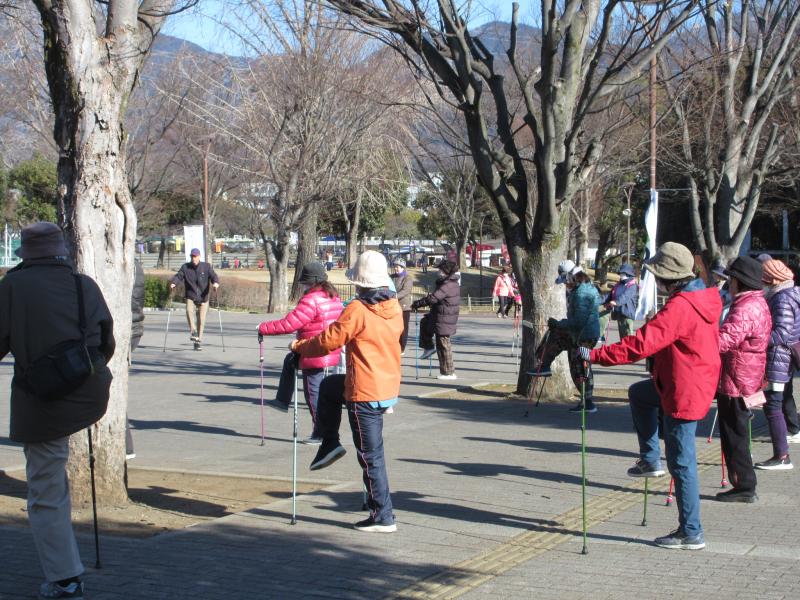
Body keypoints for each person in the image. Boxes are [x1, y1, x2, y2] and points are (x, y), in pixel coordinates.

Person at [0, 222, 116, 599]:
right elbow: (106, 342)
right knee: (53, 478)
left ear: (26, 254)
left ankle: (65, 578)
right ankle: (66, 570)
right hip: (87, 392)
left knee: (46, 489)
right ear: (61, 251)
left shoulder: (13, 287)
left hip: (42, 400)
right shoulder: (84, 285)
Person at [590, 242, 721, 550]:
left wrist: (595, 355)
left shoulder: (681, 306)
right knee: (639, 394)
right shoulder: (702, 296)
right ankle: (650, 460)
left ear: (667, 277)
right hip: (685, 380)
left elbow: (641, 344)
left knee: (682, 463)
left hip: (684, 390)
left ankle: (691, 531)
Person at [291, 250, 403, 532]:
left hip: (364, 390)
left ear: (361, 283)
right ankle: (329, 441)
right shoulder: (394, 307)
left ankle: (383, 516)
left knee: (370, 455)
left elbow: (329, 341)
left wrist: (300, 347)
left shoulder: (358, 309)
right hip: (385, 383)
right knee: (329, 386)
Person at [257, 263, 343, 444]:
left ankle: (320, 434)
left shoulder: (311, 300)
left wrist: (263, 328)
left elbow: (290, 324)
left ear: (310, 282)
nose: (302, 285)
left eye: (304, 282)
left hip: (314, 351)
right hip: (329, 348)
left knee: (314, 394)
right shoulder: (333, 296)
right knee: (291, 360)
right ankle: (282, 400)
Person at [715, 257, 771, 502]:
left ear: (740, 281)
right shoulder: (756, 302)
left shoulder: (745, 307)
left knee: (734, 436)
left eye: (731, 279)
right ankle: (743, 484)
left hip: (737, 379)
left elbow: (724, 341)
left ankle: (744, 487)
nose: (729, 284)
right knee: (737, 433)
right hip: (747, 375)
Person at [536, 264, 601, 413]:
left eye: (566, 281)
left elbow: (578, 321)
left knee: (579, 367)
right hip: (583, 333)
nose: (565, 284)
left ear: (571, 277)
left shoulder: (581, 293)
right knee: (579, 365)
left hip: (584, 335)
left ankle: (588, 402)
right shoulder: (584, 287)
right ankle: (544, 364)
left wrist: (559, 324)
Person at [759, 259, 800, 469]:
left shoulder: (782, 298)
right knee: (775, 403)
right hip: (783, 358)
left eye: (764, 278)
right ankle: (781, 454)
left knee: (773, 405)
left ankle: (782, 456)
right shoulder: (789, 294)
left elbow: (781, 333)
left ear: (773, 280)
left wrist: (757, 340)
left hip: (779, 358)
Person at [411, 260, 461, 380]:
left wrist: (418, 303)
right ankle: (428, 347)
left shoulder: (448, 284)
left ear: (445, 271)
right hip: (439, 315)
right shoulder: (448, 282)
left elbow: (433, 298)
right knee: (425, 322)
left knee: (443, 344)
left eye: (440, 270)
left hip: (444, 318)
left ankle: (449, 373)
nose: (438, 271)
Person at [169, 248, 220, 350]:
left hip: (204, 297)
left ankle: (198, 341)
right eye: (192, 256)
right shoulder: (185, 267)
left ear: (199, 256)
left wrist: (215, 283)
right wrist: (174, 283)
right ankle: (193, 331)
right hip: (191, 295)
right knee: (189, 310)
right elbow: (179, 276)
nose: (194, 258)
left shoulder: (206, 266)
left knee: (201, 320)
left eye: (195, 256)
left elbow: (214, 276)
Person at [126, 258, 145, 461]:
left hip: (125, 327)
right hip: (133, 327)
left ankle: (124, 445)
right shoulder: (134, 262)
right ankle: (125, 446)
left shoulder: (127, 263)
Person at [598, 263, 639, 340]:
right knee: (602, 315)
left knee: (627, 337)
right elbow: (609, 296)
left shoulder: (633, 286)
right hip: (618, 312)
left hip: (627, 313)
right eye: (620, 273)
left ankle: (628, 348)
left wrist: (616, 302)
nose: (621, 275)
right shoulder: (618, 284)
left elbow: (625, 296)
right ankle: (598, 335)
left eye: (623, 273)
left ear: (628, 274)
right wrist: (597, 301)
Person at [390, 258, 413, 354]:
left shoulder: (407, 278)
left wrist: (394, 296)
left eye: (398, 267)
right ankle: (393, 346)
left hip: (404, 306)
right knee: (392, 327)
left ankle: (401, 347)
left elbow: (406, 290)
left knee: (403, 328)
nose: (395, 268)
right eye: (395, 266)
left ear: (403, 268)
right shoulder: (391, 277)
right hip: (392, 306)